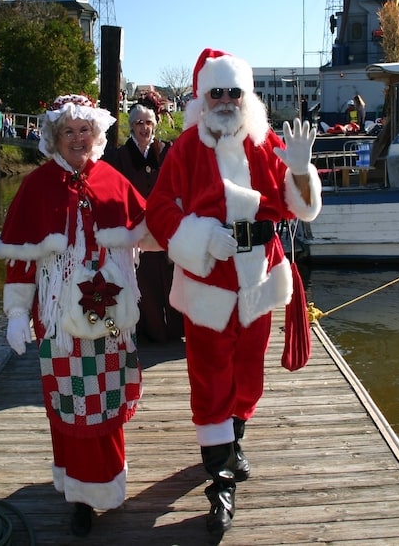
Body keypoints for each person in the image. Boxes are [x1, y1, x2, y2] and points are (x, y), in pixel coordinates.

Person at [145, 48, 322, 535]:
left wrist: (303, 172)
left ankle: (234, 436)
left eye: (233, 92)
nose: (224, 100)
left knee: (248, 379)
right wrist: (198, 235)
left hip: (259, 282)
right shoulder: (184, 149)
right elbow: (159, 211)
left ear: (245, 96)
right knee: (209, 383)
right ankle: (220, 484)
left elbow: (300, 210)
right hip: (208, 287)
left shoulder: (264, 145)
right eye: (216, 92)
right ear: (203, 97)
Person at [0, 94, 150, 537]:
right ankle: (80, 497)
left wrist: (199, 235)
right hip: (61, 325)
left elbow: (151, 230)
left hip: (113, 318)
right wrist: (16, 312)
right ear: (54, 138)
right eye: (69, 132)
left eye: (85, 131)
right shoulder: (36, 186)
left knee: (109, 397)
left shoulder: (112, 179)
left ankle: (108, 483)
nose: (79, 139)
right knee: (72, 405)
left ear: (97, 135)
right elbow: (21, 257)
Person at [106, 102, 184, 343]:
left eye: (148, 122)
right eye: (139, 123)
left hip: (165, 226)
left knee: (170, 277)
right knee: (145, 279)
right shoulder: (120, 156)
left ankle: (175, 329)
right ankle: (151, 331)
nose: (144, 127)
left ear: (155, 124)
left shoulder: (167, 151)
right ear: (131, 127)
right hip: (137, 230)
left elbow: (179, 187)